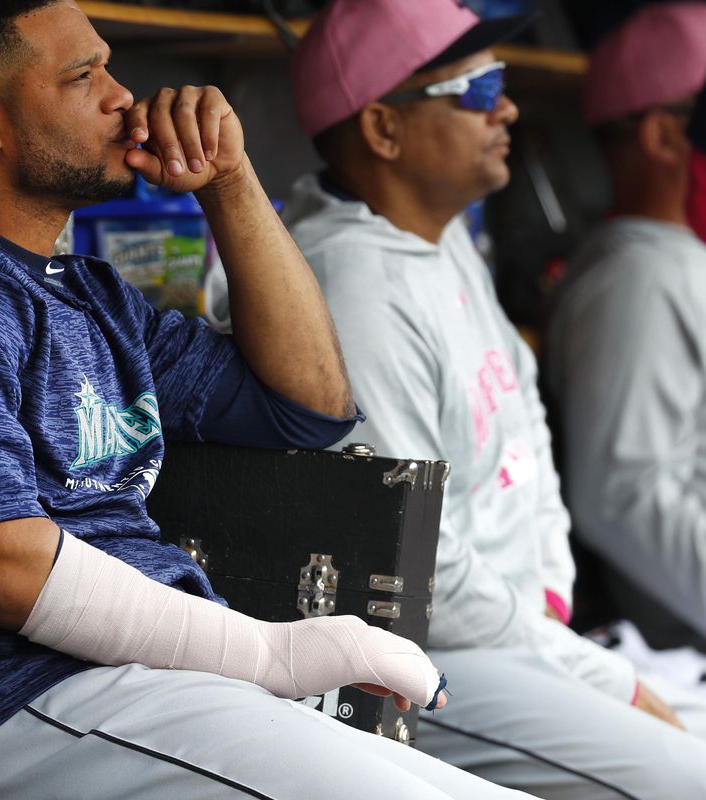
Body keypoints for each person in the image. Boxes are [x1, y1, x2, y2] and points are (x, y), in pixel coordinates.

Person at [0, 1, 539, 798]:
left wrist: (229, 183)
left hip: (154, 681)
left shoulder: (91, 294)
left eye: (109, 67)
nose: (123, 97)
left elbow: (310, 407)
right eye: (83, 78)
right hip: (18, 702)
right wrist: (265, 653)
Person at [261, 0, 706, 796]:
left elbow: (526, 444)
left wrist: (554, 605)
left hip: (523, 638)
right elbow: (418, 567)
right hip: (423, 656)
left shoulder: (445, 239)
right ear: (383, 129)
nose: (506, 107)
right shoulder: (352, 283)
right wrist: (591, 672)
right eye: (476, 87)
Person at [546, 3, 706, 655]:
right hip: (677, 658)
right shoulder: (641, 280)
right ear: (663, 137)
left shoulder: (678, 259)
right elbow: (622, 499)